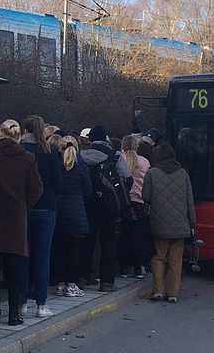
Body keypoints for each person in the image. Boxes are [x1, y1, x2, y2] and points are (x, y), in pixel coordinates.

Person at [0, 119, 43, 325]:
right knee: (16, 270)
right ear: (18, 135)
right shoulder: (28, 158)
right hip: (16, 219)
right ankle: (14, 313)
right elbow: (36, 189)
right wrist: (24, 206)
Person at [78, 124, 131, 292]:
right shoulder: (115, 156)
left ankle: (83, 277)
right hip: (109, 206)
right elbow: (127, 179)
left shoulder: (81, 156)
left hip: (86, 204)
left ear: (91, 139)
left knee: (87, 241)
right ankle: (107, 282)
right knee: (108, 243)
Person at [143, 143, 195, 303]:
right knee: (176, 260)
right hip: (180, 224)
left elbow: (145, 196)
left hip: (159, 222)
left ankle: (158, 290)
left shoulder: (152, 173)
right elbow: (189, 200)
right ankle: (172, 293)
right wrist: (192, 224)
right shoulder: (183, 173)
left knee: (159, 257)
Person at [20, 115, 61, 318]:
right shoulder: (50, 152)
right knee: (43, 258)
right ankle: (41, 304)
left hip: (24, 208)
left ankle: (21, 302)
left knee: (23, 255)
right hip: (46, 207)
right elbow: (58, 182)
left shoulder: (21, 151)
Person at [51, 135, 91, 298]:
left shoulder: (56, 165)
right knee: (74, 252)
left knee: (59, 250)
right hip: (77, 213)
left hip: (59, 211)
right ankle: (71, 284)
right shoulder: (81, 166)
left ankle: (59, 283)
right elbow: (88, 190)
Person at [118, 135, 152, 279]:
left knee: (123, 236)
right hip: (140, 202)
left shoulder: (120, 159)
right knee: (139, 236)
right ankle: (138, 267)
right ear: (136, 146)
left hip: (124, 202)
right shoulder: (144, 162)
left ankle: (123, 268)